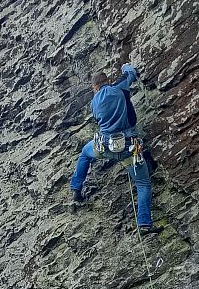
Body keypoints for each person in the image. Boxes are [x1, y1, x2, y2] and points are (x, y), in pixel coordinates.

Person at [69, 63, 161, 234]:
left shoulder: (94, 103)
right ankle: (145, 225)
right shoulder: (118, 87)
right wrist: (126, 66)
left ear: (94, 87)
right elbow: (131, 73)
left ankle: (76, 188)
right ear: (107, 81)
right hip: (128, 147)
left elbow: (98, 119)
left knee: (84, 153)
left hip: (103, 146)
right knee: (142, 184)